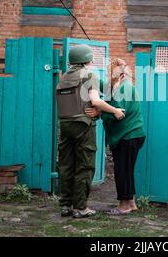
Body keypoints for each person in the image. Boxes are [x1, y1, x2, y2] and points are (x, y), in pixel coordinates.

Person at [56, 45, 125, 218]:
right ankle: (80, 207)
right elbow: (96, 101)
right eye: (91, 58)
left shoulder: (63, 78)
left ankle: (65, 205)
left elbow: (106, 88)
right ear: (86, 60)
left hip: (65, 126)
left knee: (66, 165)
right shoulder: (89, 75)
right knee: (85, 166)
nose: (93, 61)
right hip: (83, 126)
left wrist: (117, 74)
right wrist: (115, 111)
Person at [86, 58, 146, 215]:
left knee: (122, 171)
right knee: (127, 170)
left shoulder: (124, 89)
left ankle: (123, 206)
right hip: (132, 135)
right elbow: (105, 87)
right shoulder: (121, 86)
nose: (108, 79)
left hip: (128, 135)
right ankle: (131, 203)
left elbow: (118, 113)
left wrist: (100, 113)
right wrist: (89, 74)